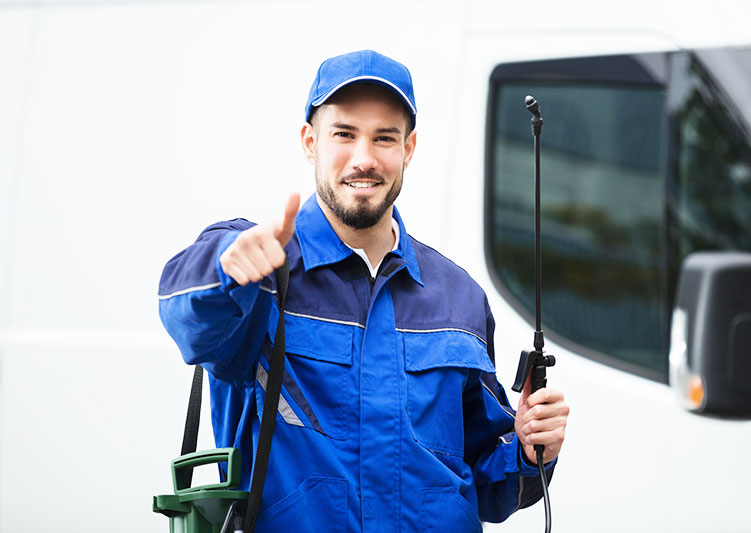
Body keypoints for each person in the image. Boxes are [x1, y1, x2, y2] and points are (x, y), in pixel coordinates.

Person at [158, 49, 569, 532]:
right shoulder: (259, 274)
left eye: (384, 138)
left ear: (408, 149)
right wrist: (224, 267)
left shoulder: (459, 298)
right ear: (310, 142)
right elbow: (188, 317)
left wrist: (527, 450)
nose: (364, 159)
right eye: (344, 134)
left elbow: (487, 481)